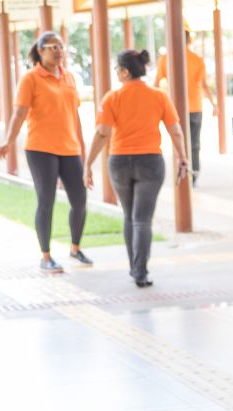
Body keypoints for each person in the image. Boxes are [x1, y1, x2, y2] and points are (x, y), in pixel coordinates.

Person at [83, 50, 188, 288]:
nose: (116, 73)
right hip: (150, 163)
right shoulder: (158, 96)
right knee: (142, 219)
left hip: (119, 162)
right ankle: (140, 272)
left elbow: (102, 133)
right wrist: (182, 157)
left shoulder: (112, 98)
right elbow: (175, 131)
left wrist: (88, 164)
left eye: (117, 69)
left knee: (129, 215)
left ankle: (134, 267)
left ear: (124, 72)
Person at [0, 31, 91, 273]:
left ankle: (75, 248)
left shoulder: (68, 77)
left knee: (80, 200)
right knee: (46, 201)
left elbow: (75, 115)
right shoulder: (30, 79)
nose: (58, 51)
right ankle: (46, 256)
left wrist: (83, 150)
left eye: (61, 47)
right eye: (53, 47)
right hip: (40, 148)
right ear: (40, 50)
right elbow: (19, 113)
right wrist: (8, 140)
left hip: (69, 148)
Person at [153, 31, 217, 186]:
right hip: (195, 107)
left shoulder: (166, 59)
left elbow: (156, 83)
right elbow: (203, 85)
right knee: (194, 144)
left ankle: (181, 175)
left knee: (178, 141)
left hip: (174, 109)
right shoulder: (197, 59)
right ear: (189, 40)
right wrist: (213, 104)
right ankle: (193, 175)